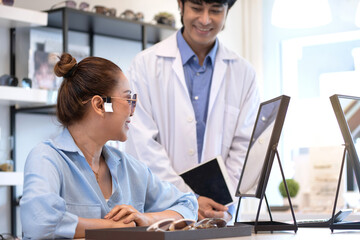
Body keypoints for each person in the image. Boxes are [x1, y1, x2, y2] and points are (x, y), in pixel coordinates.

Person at [20, 53, 198, 239]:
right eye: (128, 99)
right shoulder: (47, 158)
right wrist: (112, 226)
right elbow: (40, 222)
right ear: (99, 105)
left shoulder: (131, 168)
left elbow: (188, 205)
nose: (132, 110)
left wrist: (144, 220)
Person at [126, 0, 260, 222]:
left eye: (215, 10)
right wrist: (187, 200)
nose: (205, 19)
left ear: (227, 11)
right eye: (197, 8)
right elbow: (141, 144)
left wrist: (221, 201)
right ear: (180, 5)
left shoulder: (244, 73)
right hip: (163, 213)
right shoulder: (145, 66)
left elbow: (244, 145)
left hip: (220, 212)